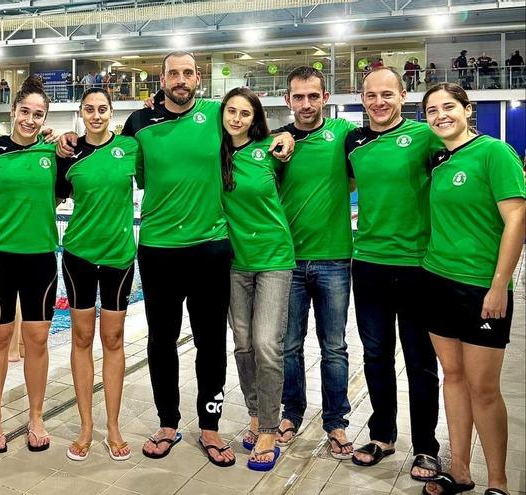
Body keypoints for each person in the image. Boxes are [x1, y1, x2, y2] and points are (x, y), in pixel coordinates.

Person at [58, 51, 292, 466]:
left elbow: (252, 130)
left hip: (210, 247)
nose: (180, 79)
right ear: (161, 79)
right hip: (158, 248)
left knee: (210, 342)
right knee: (160, 341)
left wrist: (287, 135)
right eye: (173, 73)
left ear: (198, 77)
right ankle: (168, 423)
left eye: (187, 72)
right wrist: (61, 142)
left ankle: (210, 427)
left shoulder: (216, 114)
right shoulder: (138, 124)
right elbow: (108, 156)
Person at [420, 83, 525, 495]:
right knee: (453, 376)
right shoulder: (440, 161)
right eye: (431, 110)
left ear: (468, 109)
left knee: (483, 388)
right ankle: (459, 471)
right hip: (437, 280)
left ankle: (497, 481)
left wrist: (500, 285)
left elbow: (517, 219)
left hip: (482, 288)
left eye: (448, 107)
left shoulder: (494, 152)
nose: (440, 115)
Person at [345, 66, 445, 481]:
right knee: (375, 355)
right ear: (362, 97)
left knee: (420, 361)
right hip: (368, 263)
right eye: (372, 95)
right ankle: (382, 434)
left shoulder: (425, 136)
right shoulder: (353, 141)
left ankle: (426, 447)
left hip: (418, 265)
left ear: (403, 95)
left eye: (388, 94)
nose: (379, 102)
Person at [56, 88, 141, 462]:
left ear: (111, 112)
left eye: (102, 109)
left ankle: (115, 426)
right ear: (80, 113)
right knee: (81, 337)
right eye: (89, 109)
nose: (96, 115)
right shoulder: (69, 154)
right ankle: (86, 426)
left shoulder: (131, 149)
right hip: (78, 256)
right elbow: (51, 197)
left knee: (113, 339)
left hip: (120, 258)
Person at [277, 66, 357, 460]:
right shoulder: (277, 143)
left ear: (325, 98)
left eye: (313, 96)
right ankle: (290, 413)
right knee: (289, 346)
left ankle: (336, 423)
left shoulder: (343, 134)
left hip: (334, 260)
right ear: (287, 100)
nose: (305, 104)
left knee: (335, 347)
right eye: (298, 97)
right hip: (288, 261)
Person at [0, 75, 59, 454]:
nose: (30, 119)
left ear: (45, 118)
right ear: (12, 111)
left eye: (38, 114)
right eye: (24, 111)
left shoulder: (53, 152)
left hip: (41, 257)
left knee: (37, 340)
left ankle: (36, 416)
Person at [220, 87, 294, 472]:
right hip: (235, 263)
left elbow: (293, 136)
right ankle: (254, 414)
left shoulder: (270, 149)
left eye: (244, 113)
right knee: (243, 344)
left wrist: (286, 135)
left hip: (274, 259)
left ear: (255, 118)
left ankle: (268, 427)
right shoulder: (214, 155)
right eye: (231, 111)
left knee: (267, 344)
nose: (236, 119)